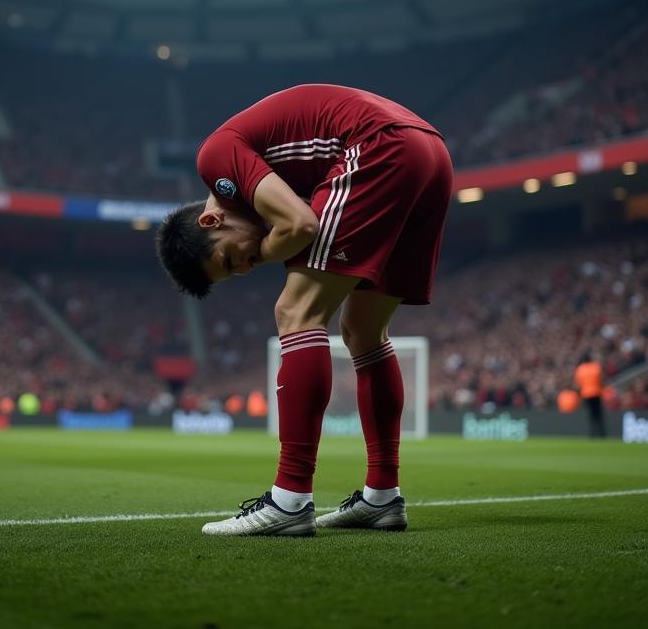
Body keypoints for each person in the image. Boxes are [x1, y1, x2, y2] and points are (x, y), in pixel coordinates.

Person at [156, 84, 452, 537]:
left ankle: (291, 499)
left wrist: (270, 249)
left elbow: (300, 224)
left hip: (379, 144)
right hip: (430, 153)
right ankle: (382, 497)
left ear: (211, 220)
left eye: (231, 260)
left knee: (295, 312)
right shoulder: (260, 178)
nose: (247, 266)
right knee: (364, 331)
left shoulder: (214, 158)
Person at [573, 352, 606, 438]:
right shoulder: (596, 367)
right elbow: (601, 380)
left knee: (591, 415)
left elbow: (578, 384)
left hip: (586, 394)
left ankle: (592, 434)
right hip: (596, 393)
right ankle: (601, 434)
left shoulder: (580, 369)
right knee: (598, 415)